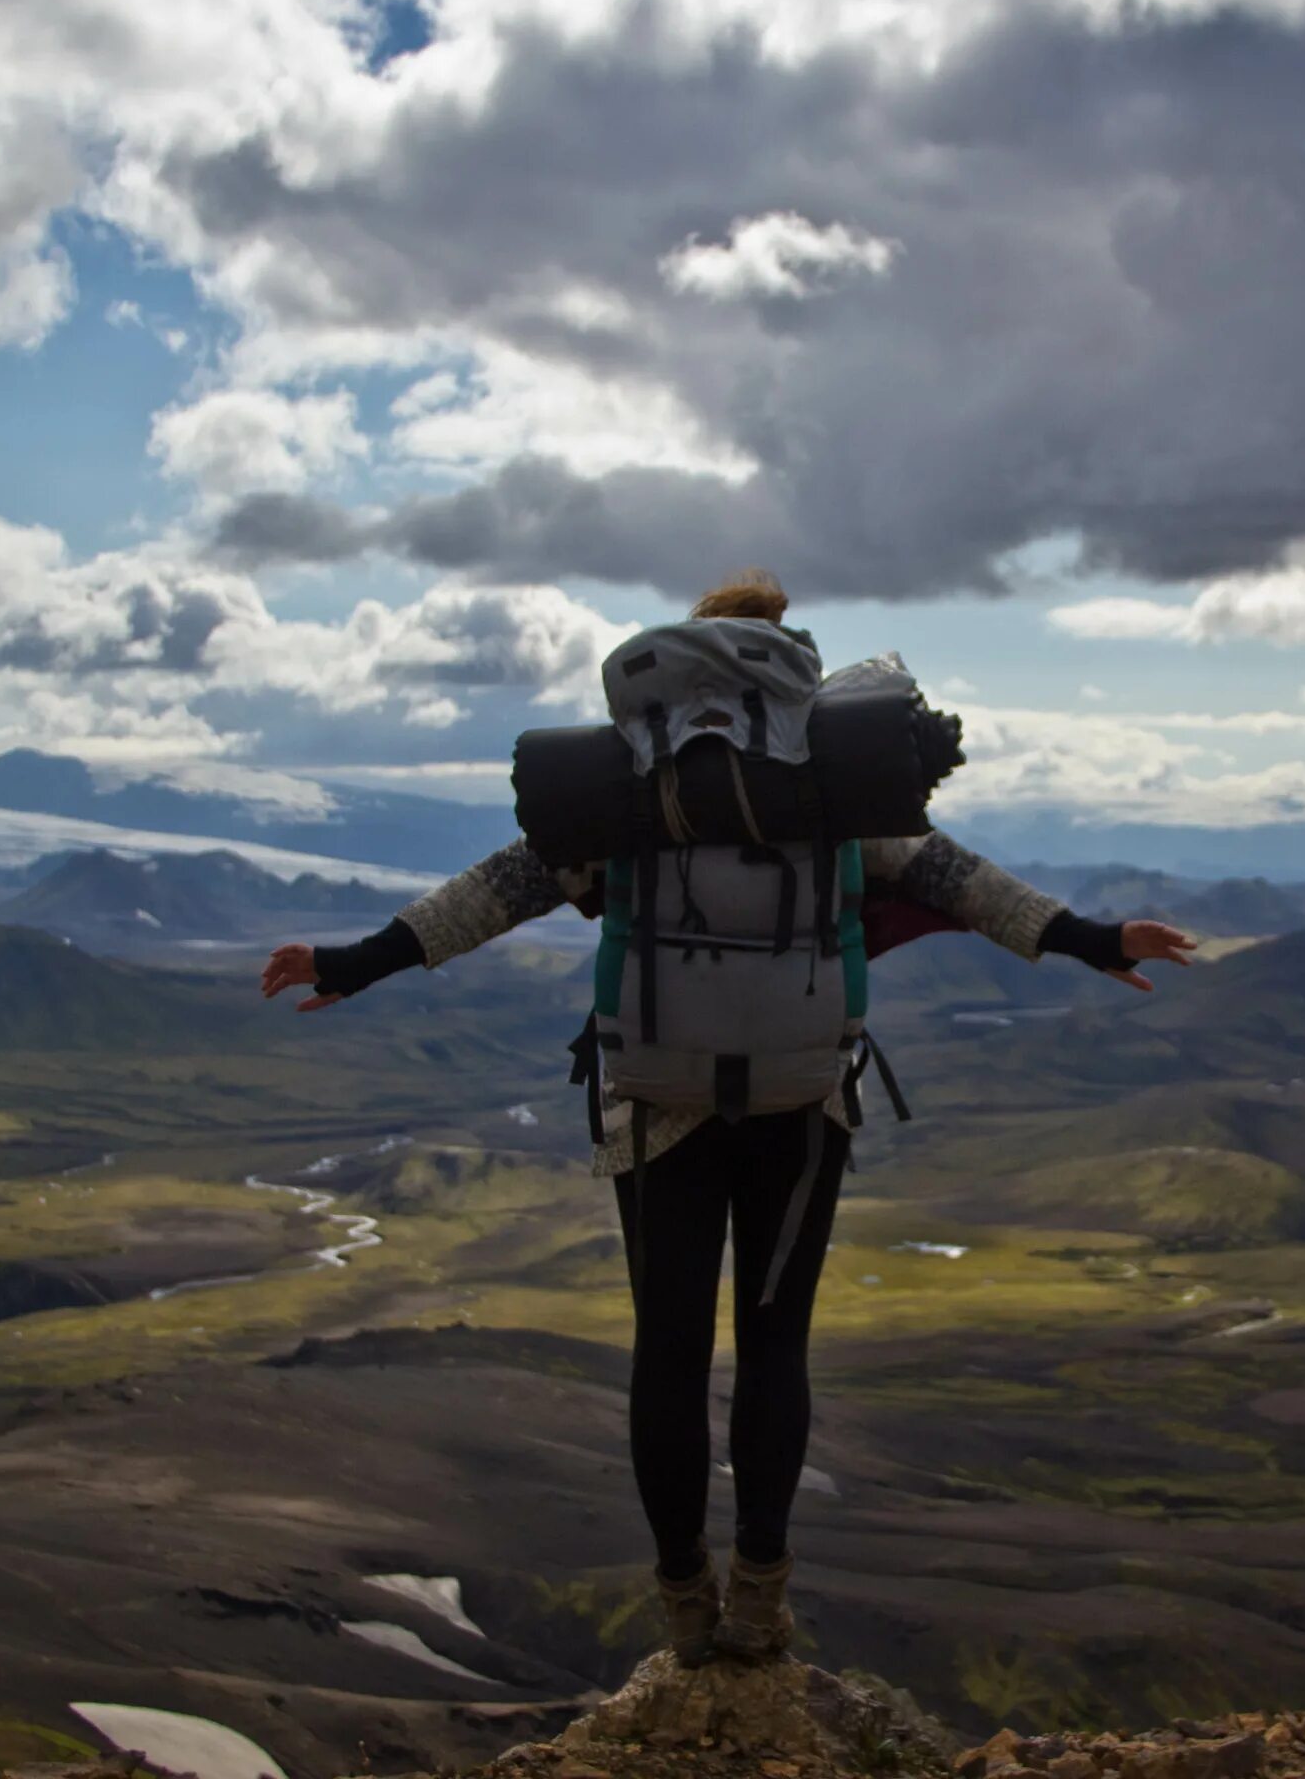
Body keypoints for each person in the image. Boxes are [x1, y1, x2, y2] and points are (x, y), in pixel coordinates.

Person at [261, 568, 1194, 1668]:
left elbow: (495, 890)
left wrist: (352, 962)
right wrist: (1097, 939)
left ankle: (683, 1604)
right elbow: (961, 881)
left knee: (667, 1352)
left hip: (658, 1105)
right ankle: (762, 1595)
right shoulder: (830, 787)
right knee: (773, 1346)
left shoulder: (631, 793)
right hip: (802, 1100)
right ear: (788, 661)